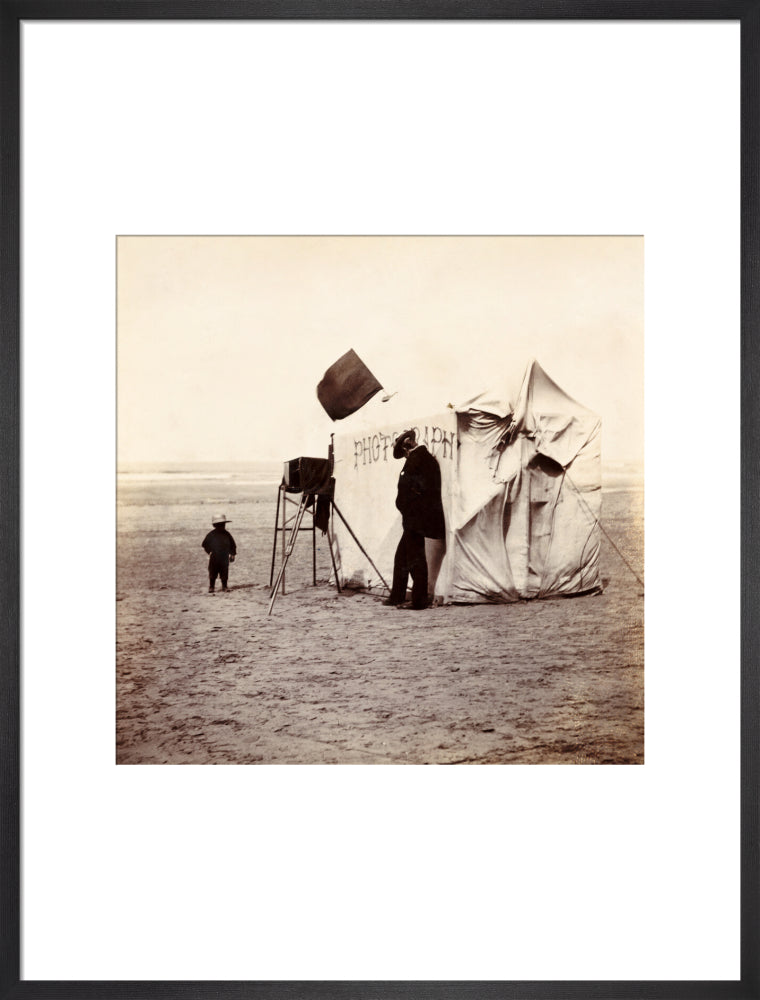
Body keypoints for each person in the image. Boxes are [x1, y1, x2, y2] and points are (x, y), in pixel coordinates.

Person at [384, 429, 445, 610]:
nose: (404, 455)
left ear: (409, 443)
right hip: (415, 518)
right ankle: (397, 595)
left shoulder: (418, 460)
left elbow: (414, 490)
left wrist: (406, 507)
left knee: (416, 559)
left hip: (415, 519)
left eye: (404, 450)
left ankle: (418, 600)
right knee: (402, 558)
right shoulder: (424, 459)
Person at [202, 514, 237, 593]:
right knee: (212, 572)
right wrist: (209, 552)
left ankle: (224, 586)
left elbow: (233, 545)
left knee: (224, 572)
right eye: (219, 525)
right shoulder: (211, 534)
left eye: (223, 524)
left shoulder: (227, 534)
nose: (222, 526)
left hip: (224, 557)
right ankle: (211, 587)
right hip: (214, 557)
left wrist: (232, 554)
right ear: (215, 525)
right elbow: (204, 544)